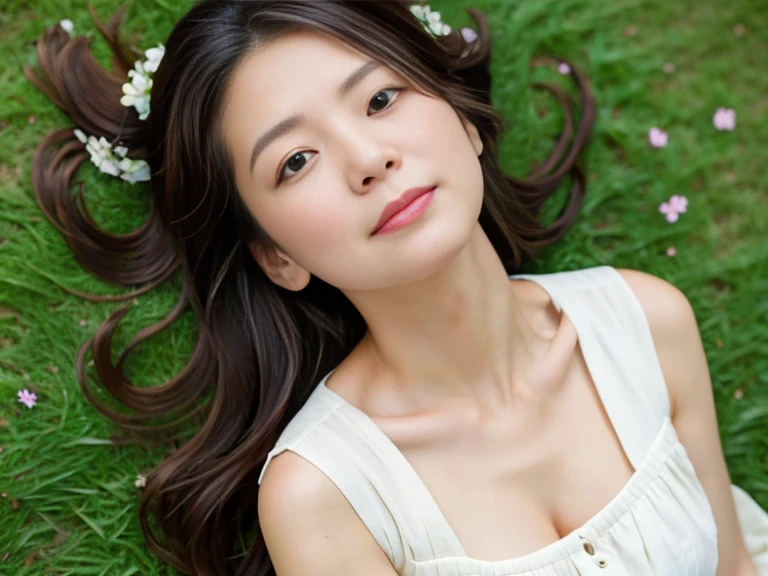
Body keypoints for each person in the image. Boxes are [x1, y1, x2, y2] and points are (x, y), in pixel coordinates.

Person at [25, 1, 768, 575]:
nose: (368, 159)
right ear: (276, 256)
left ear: (466, 124)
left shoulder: (645, 320)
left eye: (381, 100)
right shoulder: (325, 495)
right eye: (296, 160)